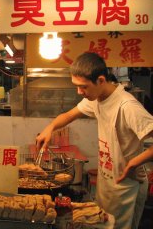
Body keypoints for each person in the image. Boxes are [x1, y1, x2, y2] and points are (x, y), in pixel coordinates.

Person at [36, 52, 153, 229]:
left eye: (83, 87)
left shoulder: (127, 107)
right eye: (76, 86)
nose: (79, 92)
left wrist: (134, 163)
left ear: (100, 80)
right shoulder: (97, 98)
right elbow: (69, 115)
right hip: (107, 180)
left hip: (126, 184)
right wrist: (50, 128)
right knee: (102, 223)